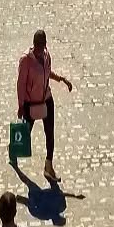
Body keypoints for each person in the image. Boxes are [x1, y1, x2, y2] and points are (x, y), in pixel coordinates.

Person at [15, 29, 72, 184]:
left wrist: (62, 79)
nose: (41, 48)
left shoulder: (46, 55)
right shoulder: (26, 60)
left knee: (50, 133)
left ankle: (49, 165)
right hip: (31, 103)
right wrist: (21, 105)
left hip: (46, 99)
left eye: (43, 45)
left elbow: (47, 73)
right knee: (25, 133)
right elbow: (21, 84)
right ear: (34, 44)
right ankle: (13, 152)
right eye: (38, 45)